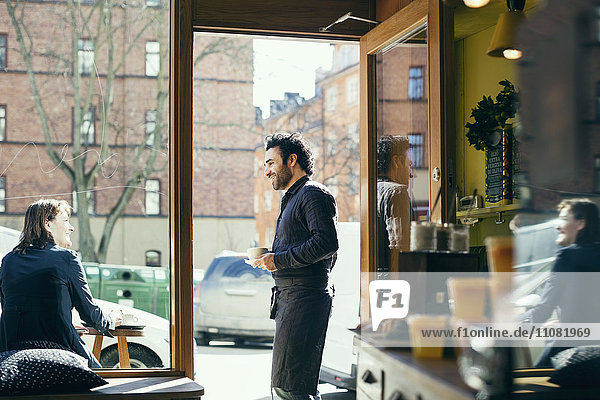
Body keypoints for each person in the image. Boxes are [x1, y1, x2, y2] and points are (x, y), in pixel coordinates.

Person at [251, 132, 338, 400]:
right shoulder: (293, 197)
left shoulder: (312, 194)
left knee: (290, 387)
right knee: (291, 385)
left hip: (304, 300)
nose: (266, 171)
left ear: (292, 160)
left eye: (270, 163)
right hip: (293, 299)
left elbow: (326, 243)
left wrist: (278, 260)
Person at [0, 199, 118, 368]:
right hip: (59, 356)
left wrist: (61, 321)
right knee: (105, 382)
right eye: (65, 221)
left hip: (14, 360)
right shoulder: (67, 258)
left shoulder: (9, 261)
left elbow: (15, 309)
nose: (71, 227)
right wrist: (112, 319)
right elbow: (90, 315)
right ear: (47, 225)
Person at [519, 198, 600, 367]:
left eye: (564, 219)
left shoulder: (567, 256)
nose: (557, 225)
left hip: (572, 353)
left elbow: (543, 311)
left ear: (580, 223)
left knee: (529, 382)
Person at [376, 135, 413, 272]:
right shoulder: (397, 192)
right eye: (409, 165)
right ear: (396, 161)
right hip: (393, 284)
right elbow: (400, 248)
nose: (411, 174)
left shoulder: (369, 190)